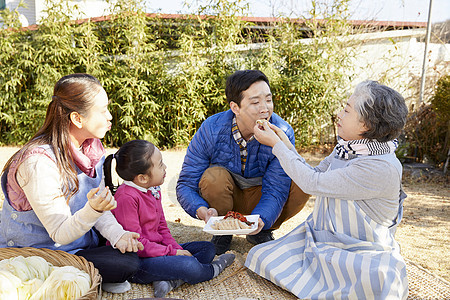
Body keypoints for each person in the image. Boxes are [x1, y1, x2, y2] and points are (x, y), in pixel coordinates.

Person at [245, 80, 409, 299]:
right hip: (324, 239)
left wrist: (276, 146)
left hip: (359, 249)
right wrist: (284, 142)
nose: (339, 114)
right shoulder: (349, 148)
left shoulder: (380, 167)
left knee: (377, 283)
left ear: (366, 126)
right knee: (259, 256)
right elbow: (315, 173)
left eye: (347, 110)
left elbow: (312, 183)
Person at [0, 73, 144, 294]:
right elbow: (60, 232)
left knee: (130, 251)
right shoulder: (38, 163)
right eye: (103, 110)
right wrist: (93, 209)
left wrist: (118, 235)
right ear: (77, 119)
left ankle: (94, 272)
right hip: (40, 252)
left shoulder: (91, 148)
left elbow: (99, 207)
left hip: (78, 245)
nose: (110, 117)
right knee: (126, 265)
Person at [176, 70, 310, 255]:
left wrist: (262, 219)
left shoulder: (282, 131)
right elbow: (186, 183)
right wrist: (202, 211)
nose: (265, 108)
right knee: (214, 177)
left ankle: (261, 230)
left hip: (261, 194)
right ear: (235, 107)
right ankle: (223, 232)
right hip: (225, 198)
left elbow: (277, 187)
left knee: (302, 181)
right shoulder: (211, 129)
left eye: (268, 100)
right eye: (255, 102)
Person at [103, 139, 235, 298]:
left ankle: (171, 280)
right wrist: (172, 253)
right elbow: (137, 245)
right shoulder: (127, 197)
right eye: (160, 165)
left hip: (157, 251)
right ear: (143, 178)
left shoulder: (152, 189)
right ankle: (213, 269)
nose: (165, 167)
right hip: (138, 261)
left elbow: (162, 228)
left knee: (207, 248)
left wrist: (177, 250)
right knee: (189, 264)